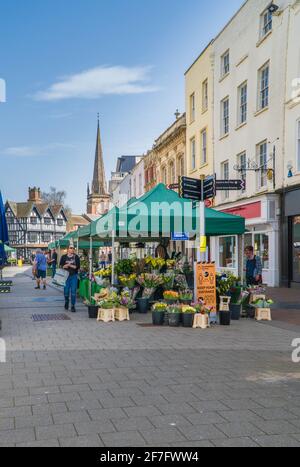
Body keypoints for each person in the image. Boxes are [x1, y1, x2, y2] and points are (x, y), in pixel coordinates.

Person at [60, 246, 80, 313]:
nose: (72, 249)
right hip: (66, 276)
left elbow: (77, 267)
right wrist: (65, 265)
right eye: (71, 248)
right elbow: (61, 266)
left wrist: (70, 265)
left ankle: (73, 306)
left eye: (73, 248)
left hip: (74, 276)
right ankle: (66, 301)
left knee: (73, 292)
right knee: (66, 291)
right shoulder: (63, 257)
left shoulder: (76, 257)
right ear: (68, 249)